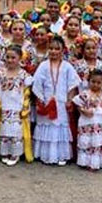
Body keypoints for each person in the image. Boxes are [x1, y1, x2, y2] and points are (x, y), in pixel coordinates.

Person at [32, 35, 79, 166]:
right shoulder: (43, 65)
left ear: (62, 50)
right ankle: (45, 154)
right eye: (51, 48)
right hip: (46, 102)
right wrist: (40, 100)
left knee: (60, 126)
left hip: (61, 103)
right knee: (46, 125)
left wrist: (70, 100)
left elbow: (72, 85)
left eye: (56, 49)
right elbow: (37, 84)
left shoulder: (67, 66)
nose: (53, 51)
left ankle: (61, 155)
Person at [0, 45, 33, 166]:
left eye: (13, 57)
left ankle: (16, 153)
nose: (10, 60)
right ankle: (5, 152)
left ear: (19, 58)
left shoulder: (24, 74)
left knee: (16, 131)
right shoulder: (0, 72)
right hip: (4, 104)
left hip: (17, 105)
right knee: (4, 131)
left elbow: (28, 90)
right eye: (7, 57)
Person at [73, 69, 102, 171]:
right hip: (88, 122)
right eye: (93, 82)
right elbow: (77, 104)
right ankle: (85, 162)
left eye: (98, 82)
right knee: (88, 142)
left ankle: (98, 162)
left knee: (98, 142)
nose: (95, 85)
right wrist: (83, 111)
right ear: (89, 81)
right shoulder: (85, 94)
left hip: (101, 124)